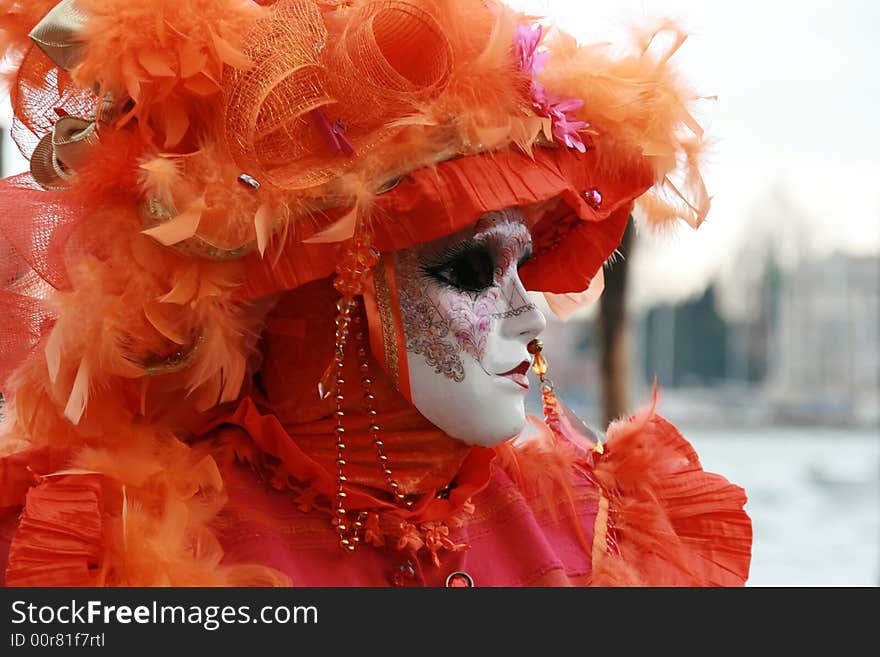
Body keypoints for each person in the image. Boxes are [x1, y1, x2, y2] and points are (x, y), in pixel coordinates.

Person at [0, 0, 752, 587]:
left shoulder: (592, 527)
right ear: (333, 286)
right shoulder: (125, 553)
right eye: (468, 269)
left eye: (523, 263)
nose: (529, 315)